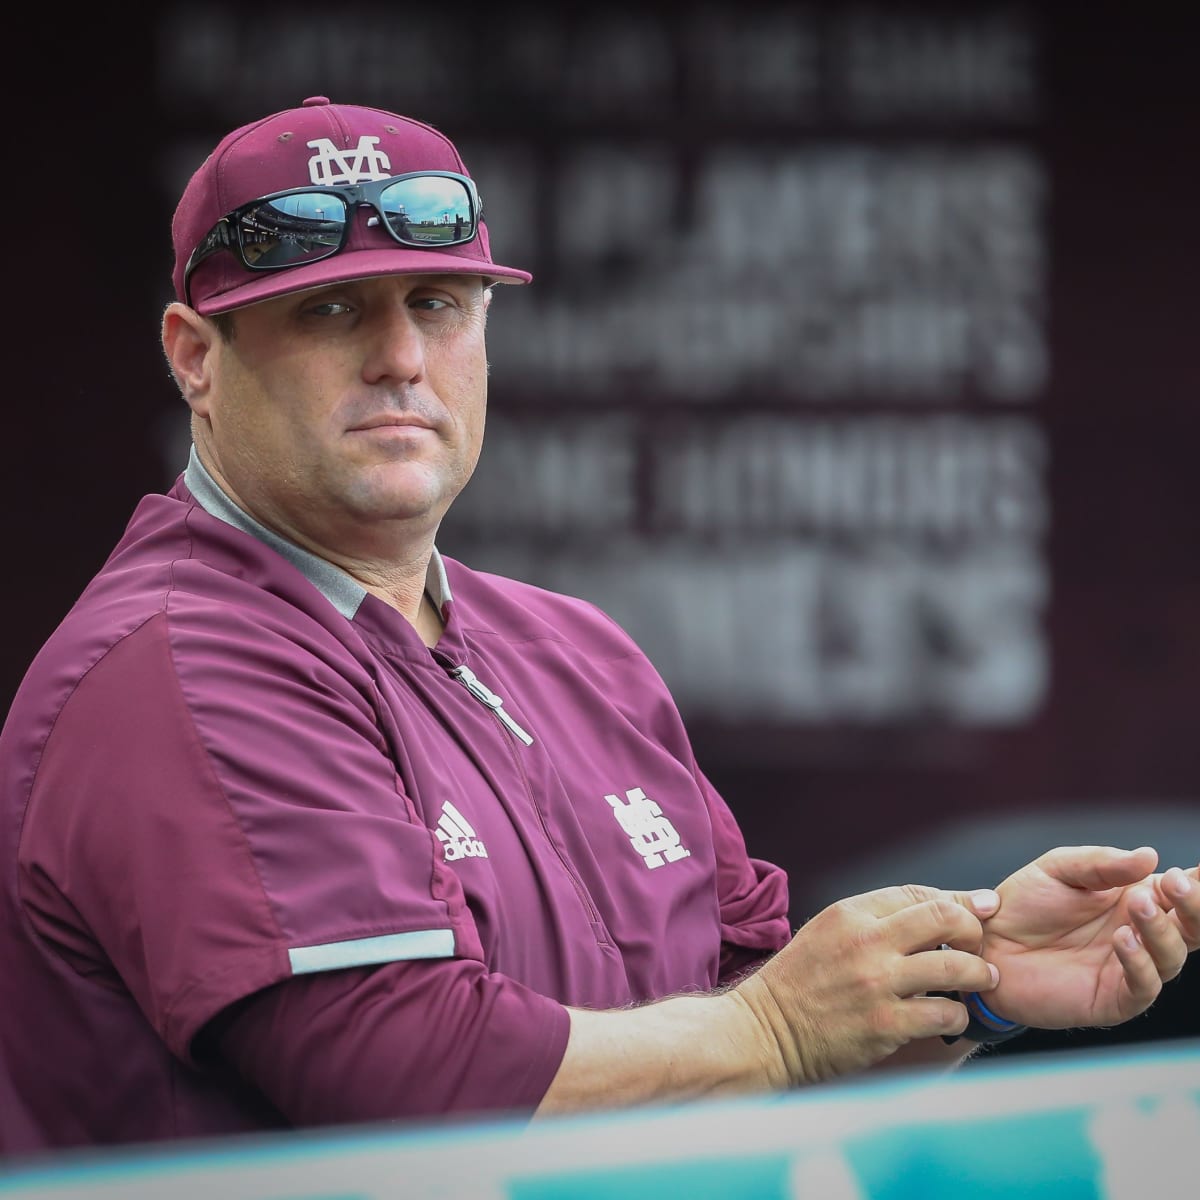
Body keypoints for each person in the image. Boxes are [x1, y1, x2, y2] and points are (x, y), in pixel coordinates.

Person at [1, 95, 1197, 1156]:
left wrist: (970, 981)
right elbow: (406, 1081)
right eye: (326, 313)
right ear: (194, 358)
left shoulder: (571, 650)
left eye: (436, 301)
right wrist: (778, 1026)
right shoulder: (182, 664)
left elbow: (749, 1038)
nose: (402, 357)